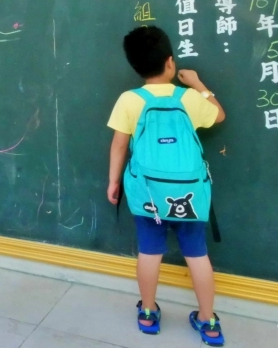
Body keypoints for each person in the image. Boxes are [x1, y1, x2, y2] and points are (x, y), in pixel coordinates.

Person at [107, 26, 226, 345]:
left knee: (149, 251)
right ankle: (208, 321)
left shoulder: (129, 99)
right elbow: (218, 116)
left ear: (135, 65)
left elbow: (119, 146)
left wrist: (113, 182)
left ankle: (147, 312)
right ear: (170, 62)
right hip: (189, 191)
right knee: (198, 254)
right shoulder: (187, 97)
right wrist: (198, 83)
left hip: (146, 192)